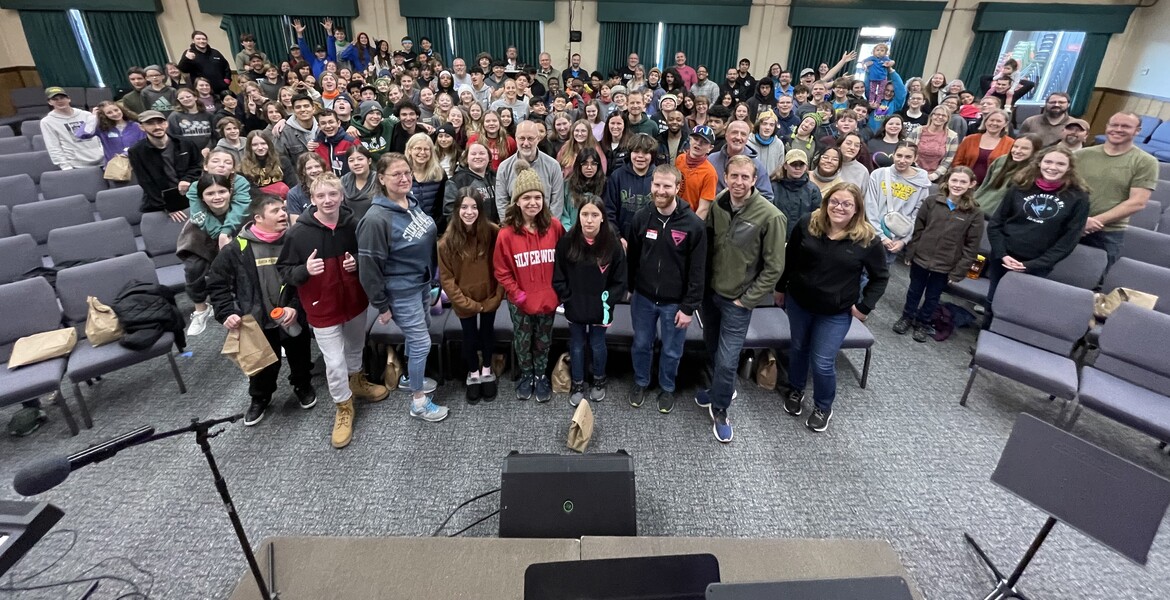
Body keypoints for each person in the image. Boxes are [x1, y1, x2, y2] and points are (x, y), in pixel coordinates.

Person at [281, 172, 387, 450]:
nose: (327, 200)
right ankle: (343, 406)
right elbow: (285, 271)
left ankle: (358, 383)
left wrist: (357, 266)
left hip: (354, 301)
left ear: (342, 196)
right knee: (334, 362)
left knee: (355, 348)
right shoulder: (298, 233)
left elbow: (370, 258)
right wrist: (305, 270)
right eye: (321, 196)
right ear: (312, 199)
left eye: (332, 194)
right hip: (321, 307)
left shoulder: (354, 225)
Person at [777, 182, 888, 432]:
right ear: (826, 203)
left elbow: (880, 276)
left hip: (835, 312)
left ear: (857, 208)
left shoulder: (867, 239)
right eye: (835, 202)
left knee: (823, 361)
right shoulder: (808, 223)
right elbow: (790, 259)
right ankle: (796, 390)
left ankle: (823, 406)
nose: (839, 207)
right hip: (799, 303)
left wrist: (864, 306)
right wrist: (780, 287)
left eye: (847, 204)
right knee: (798, 349)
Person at [697, 155, 787, 443]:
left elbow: (774, 267)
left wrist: (746, 300)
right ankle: (715, 390)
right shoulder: (720, 203)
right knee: (712, 348)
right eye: (733, 176)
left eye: (744, 177)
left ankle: (721, 408)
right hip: (711, 294)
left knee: (726, 360)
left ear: (755, 180)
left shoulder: (770, 216)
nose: (738, 183)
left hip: (738, 301)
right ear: (726, 176)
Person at [207, 193, 315, 426]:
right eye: (275, 211)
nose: (283, 214)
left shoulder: (294, 240)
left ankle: (302, 385)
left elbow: (305, 279)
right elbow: (217, 282)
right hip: (256, 320)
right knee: (263, 367)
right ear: (257, 218)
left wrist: (295, 308)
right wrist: (227, 312)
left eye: (283, 209)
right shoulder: (238, 247)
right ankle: (260, 398)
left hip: (292, 316)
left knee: (300, 355)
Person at [356, 153, 446, 421]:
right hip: (400, 290)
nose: (404, 178)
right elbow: (368, 269)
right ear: (381, 179)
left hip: (420, 283)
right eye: (396, 174)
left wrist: (431, 279)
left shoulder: (410, 203)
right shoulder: (376, 219)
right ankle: (418, 402)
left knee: (420, 334)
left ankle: (408, 377)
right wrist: (382, 306)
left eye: (407, 172)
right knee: (420, 342)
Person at [626, 164, 706, 413]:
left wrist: (689, 306)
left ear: (677, 188)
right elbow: (632, 258)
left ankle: (667, 387)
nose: (660, 191)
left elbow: (698, 270)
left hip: (675, 303)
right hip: (644, 297)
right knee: (641, 344)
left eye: (666, 186)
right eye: (656, 185)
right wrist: (630, 288)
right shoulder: (641, 217)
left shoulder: (693, 224)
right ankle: (641, 381)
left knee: (672, 350)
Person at [983, 146, 1091, 327]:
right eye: (1048, 161)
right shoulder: (1020, 187)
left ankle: (1004, 340)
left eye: (1060, 163)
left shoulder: (1079, 198)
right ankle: (985, 335)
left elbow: (1069, 240)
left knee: (1018, 306)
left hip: (1037, 264)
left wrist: (1032, 265)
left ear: (1069, 167)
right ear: (1039, 163)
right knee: (994, 298)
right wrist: (1002, 254)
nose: (1053, 167)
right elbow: (996, 224)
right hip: (1003, 257)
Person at [493, 161, 565, 403]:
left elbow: (564, 261)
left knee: (543, 340)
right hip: (520, 301)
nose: (533, 202)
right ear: (517, 201)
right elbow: (501, 271)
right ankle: (527, 375)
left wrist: (558, 292)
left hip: (547, 299)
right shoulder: (506, 234)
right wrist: (517, 294)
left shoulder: (554, 227)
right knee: (523, 341)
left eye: (538, 197)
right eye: (527, 198)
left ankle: (541, 375)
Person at [894, 167, 984, 342]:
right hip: (921, 257)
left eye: (963, 182)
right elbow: (918, 230)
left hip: (945, 264)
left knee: (933, 296)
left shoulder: (974, 213)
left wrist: (958, 271)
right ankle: (907, 316)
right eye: (954, 180)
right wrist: (910, 253)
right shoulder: (931, 202)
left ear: (971, 184)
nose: (957, 185)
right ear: (947, 181)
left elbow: (971, 246)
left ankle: (923, 322)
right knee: (914, 290)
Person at [553, 195, 627, 407]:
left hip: (601, 308)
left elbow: (620, 281)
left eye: (595, 215)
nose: (589, 220)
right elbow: (559, 276)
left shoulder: (612, 244)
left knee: (597, 344)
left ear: (603, 218)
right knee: (576, 345)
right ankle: (577, 383)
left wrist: (607, 301)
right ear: (579, 216)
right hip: (575, 305)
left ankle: (599, 380)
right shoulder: (567, 241)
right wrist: (567, 298)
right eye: (585, 214)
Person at [438, 187, 504, 403]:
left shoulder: (493, 232)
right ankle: (473, 372)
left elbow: (504, 265)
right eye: (464, 207)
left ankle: (487, 369)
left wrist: (496, 297)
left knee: (486, 333)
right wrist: (470, 305)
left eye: (474, 207)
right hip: (464, 301)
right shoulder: (446, 241)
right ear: (457, 209)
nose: (469, 212)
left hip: (489, 296)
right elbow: (447, 280)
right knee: (469, 336)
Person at [1075, 112, 1160, 269]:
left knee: (1095, 283)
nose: (1118, 129)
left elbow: (1137, 202)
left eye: (1126, 126)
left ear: (1137, 131)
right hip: (1071, 225)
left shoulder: (1146, 162)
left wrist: (1095, 221)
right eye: (1114, 125)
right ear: (1107, 127)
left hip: (1107, 233)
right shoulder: (1081, 155)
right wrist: (1078, 221)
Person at [182, 150, 251, 336]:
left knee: (245, 269)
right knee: (193, 268)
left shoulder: (240, 183)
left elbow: (240, 210)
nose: (222, 165)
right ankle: (201, 309)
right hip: (202, 233)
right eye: (216, 161)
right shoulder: (195, 187)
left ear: (234, 168)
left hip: (236, 228)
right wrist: (219, 234)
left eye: (227, 162)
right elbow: (199, 215)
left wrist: (226, 232)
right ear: (205, 166)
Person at [865, 141, 932, 263]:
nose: (902, 160)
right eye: (899, 155)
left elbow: (917, 215)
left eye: (908, 157)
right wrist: (880, 236)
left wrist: (904, 241)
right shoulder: (878, 174)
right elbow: (870, 205)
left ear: (915, 158)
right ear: (893, 155)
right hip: (872, 234)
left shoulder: (922, 184)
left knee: (880, 276)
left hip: (895, 239)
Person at [128, 110, 202, 217]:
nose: (157, 126)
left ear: (166, 123)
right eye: (150, 123)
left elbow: (198, 166)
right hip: (160, 202)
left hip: (192, 193)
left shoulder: (186, 143)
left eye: (160, 122)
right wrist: (168, 206)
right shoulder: (136, 151)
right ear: (141, 127)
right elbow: (146, 182)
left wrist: (187, 179)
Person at [494, 120, 564, 222]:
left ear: (538, 139)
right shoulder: (504, 167)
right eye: (522, 138)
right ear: (515, 139)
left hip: (545, 227)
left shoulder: (553, 166)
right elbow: (501, 202)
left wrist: (548, 228)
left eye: (530, 138)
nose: (526, 143)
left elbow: (557, 202)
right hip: (515, 228)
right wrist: (510, 227)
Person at [603, 132, 657, 241]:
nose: (640, 156)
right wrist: (618, 237)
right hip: (621, 240)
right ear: (630, 153)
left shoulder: (659, 177)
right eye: (636, 152)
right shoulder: (617, 176)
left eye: (645, 152)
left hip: (652, 240)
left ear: (652, 155)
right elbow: (609, 211)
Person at [974, 133, 1041, 217]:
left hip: (996, 217)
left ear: (1035, 151)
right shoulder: (1001, 160)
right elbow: (984, 186)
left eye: (1025, 148)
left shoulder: (1034, 172)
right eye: (1015, 146)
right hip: (976, 210)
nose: (1017, 151)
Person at [708, 120, 775, 201]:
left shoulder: (756, 165)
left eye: (743, 134)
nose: (738, 137)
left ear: (747, 138)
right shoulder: (712, 160)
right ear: (726, 135)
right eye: (734, 132)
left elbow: (767, 197)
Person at [40, 87, 102, 170]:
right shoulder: (47, 122)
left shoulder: (86, 115)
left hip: (102, 160)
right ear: (50, 102)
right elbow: (53, 146)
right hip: (76, 165)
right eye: (55, 99)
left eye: (62, 98)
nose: (60, 101)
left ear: (69, 99)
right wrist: (65, 166)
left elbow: (99, 137)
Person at [76, 100, 144, 168]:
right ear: (104, 115)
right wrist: (93, 117)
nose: (115, 114)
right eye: (109, 113)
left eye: (116, 110)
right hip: (114, 169)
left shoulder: (136, 126)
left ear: (121, 109)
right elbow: (82, 135)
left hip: (136, 166)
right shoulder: (102, 129)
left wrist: (126, 154)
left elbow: (142, 145)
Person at [953, 109, 1013, 184]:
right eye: (991, 120)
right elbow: (957, 162)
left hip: (993, 187)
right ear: (985, 121)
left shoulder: (1011, 143)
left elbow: (1010, 167)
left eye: (999, 121)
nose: (994, 123)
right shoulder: (969, 139)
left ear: (1005, 124)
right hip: (965, 184)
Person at [770, 149, 821, 237]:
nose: (797, 168)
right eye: (794, 164)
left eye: (801, 164)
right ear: (785, 166)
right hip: (776, 236)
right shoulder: (773, 187)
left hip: (803, 239)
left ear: (806, 167)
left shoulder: (813, 190)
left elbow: (817, 219)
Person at [445, 141, 498, 223]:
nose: (478, 157)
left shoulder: (496, 177)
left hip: (495, 230)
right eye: (473, 154)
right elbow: (450, 213)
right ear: (466, 158)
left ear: (489, 157)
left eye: (482, 153)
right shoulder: (456, 182)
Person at [675, 125, 718, 219]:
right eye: (695, 139)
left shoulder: (710, 173)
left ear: (710, 148)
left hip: (690, 218)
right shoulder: (680, 159)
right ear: (690, 140)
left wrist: (693, 228)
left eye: (704, 142)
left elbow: (703, 208)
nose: (698, 143)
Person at [907, 106, 958, 183]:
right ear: (931, 116)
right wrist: (918, 172)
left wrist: (934, 175)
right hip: (912, 172)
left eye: (944, 115)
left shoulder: (952, 136)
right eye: (937, 114)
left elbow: (949, 159)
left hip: (936, 178)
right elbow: (907, 151)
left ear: (948, 119)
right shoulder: (918, 131)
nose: (940, 117)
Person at [240, 130, 297, 199]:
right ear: (249, 147)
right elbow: (251, 191)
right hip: (260, 202)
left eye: (263, 143)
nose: (260, 148)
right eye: (255, 145)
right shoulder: (243, 167)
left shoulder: (282, 161)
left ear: (269, 144)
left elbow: (293, 185)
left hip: (286, 200)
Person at [562, 148, 606, 230]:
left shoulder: (605, 185)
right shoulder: (568, 184)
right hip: (571, 233)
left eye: (593, 164)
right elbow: (563, 213)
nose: (589, 167)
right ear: (579, 165)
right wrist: (570, 231)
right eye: (585, 164)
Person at [340, 146, 378, 220]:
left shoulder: (379, 180)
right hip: (350, 226)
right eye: (351, 160)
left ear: (369, 161)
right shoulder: (343, 181)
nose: (356, 163)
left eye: (360, 159)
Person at [748, 110, 785, 178]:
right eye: (764, 124)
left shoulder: (779, 144)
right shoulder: (747, 142)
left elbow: (780, 166)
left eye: (771, 125)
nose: (767, 128)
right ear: (759, 125)